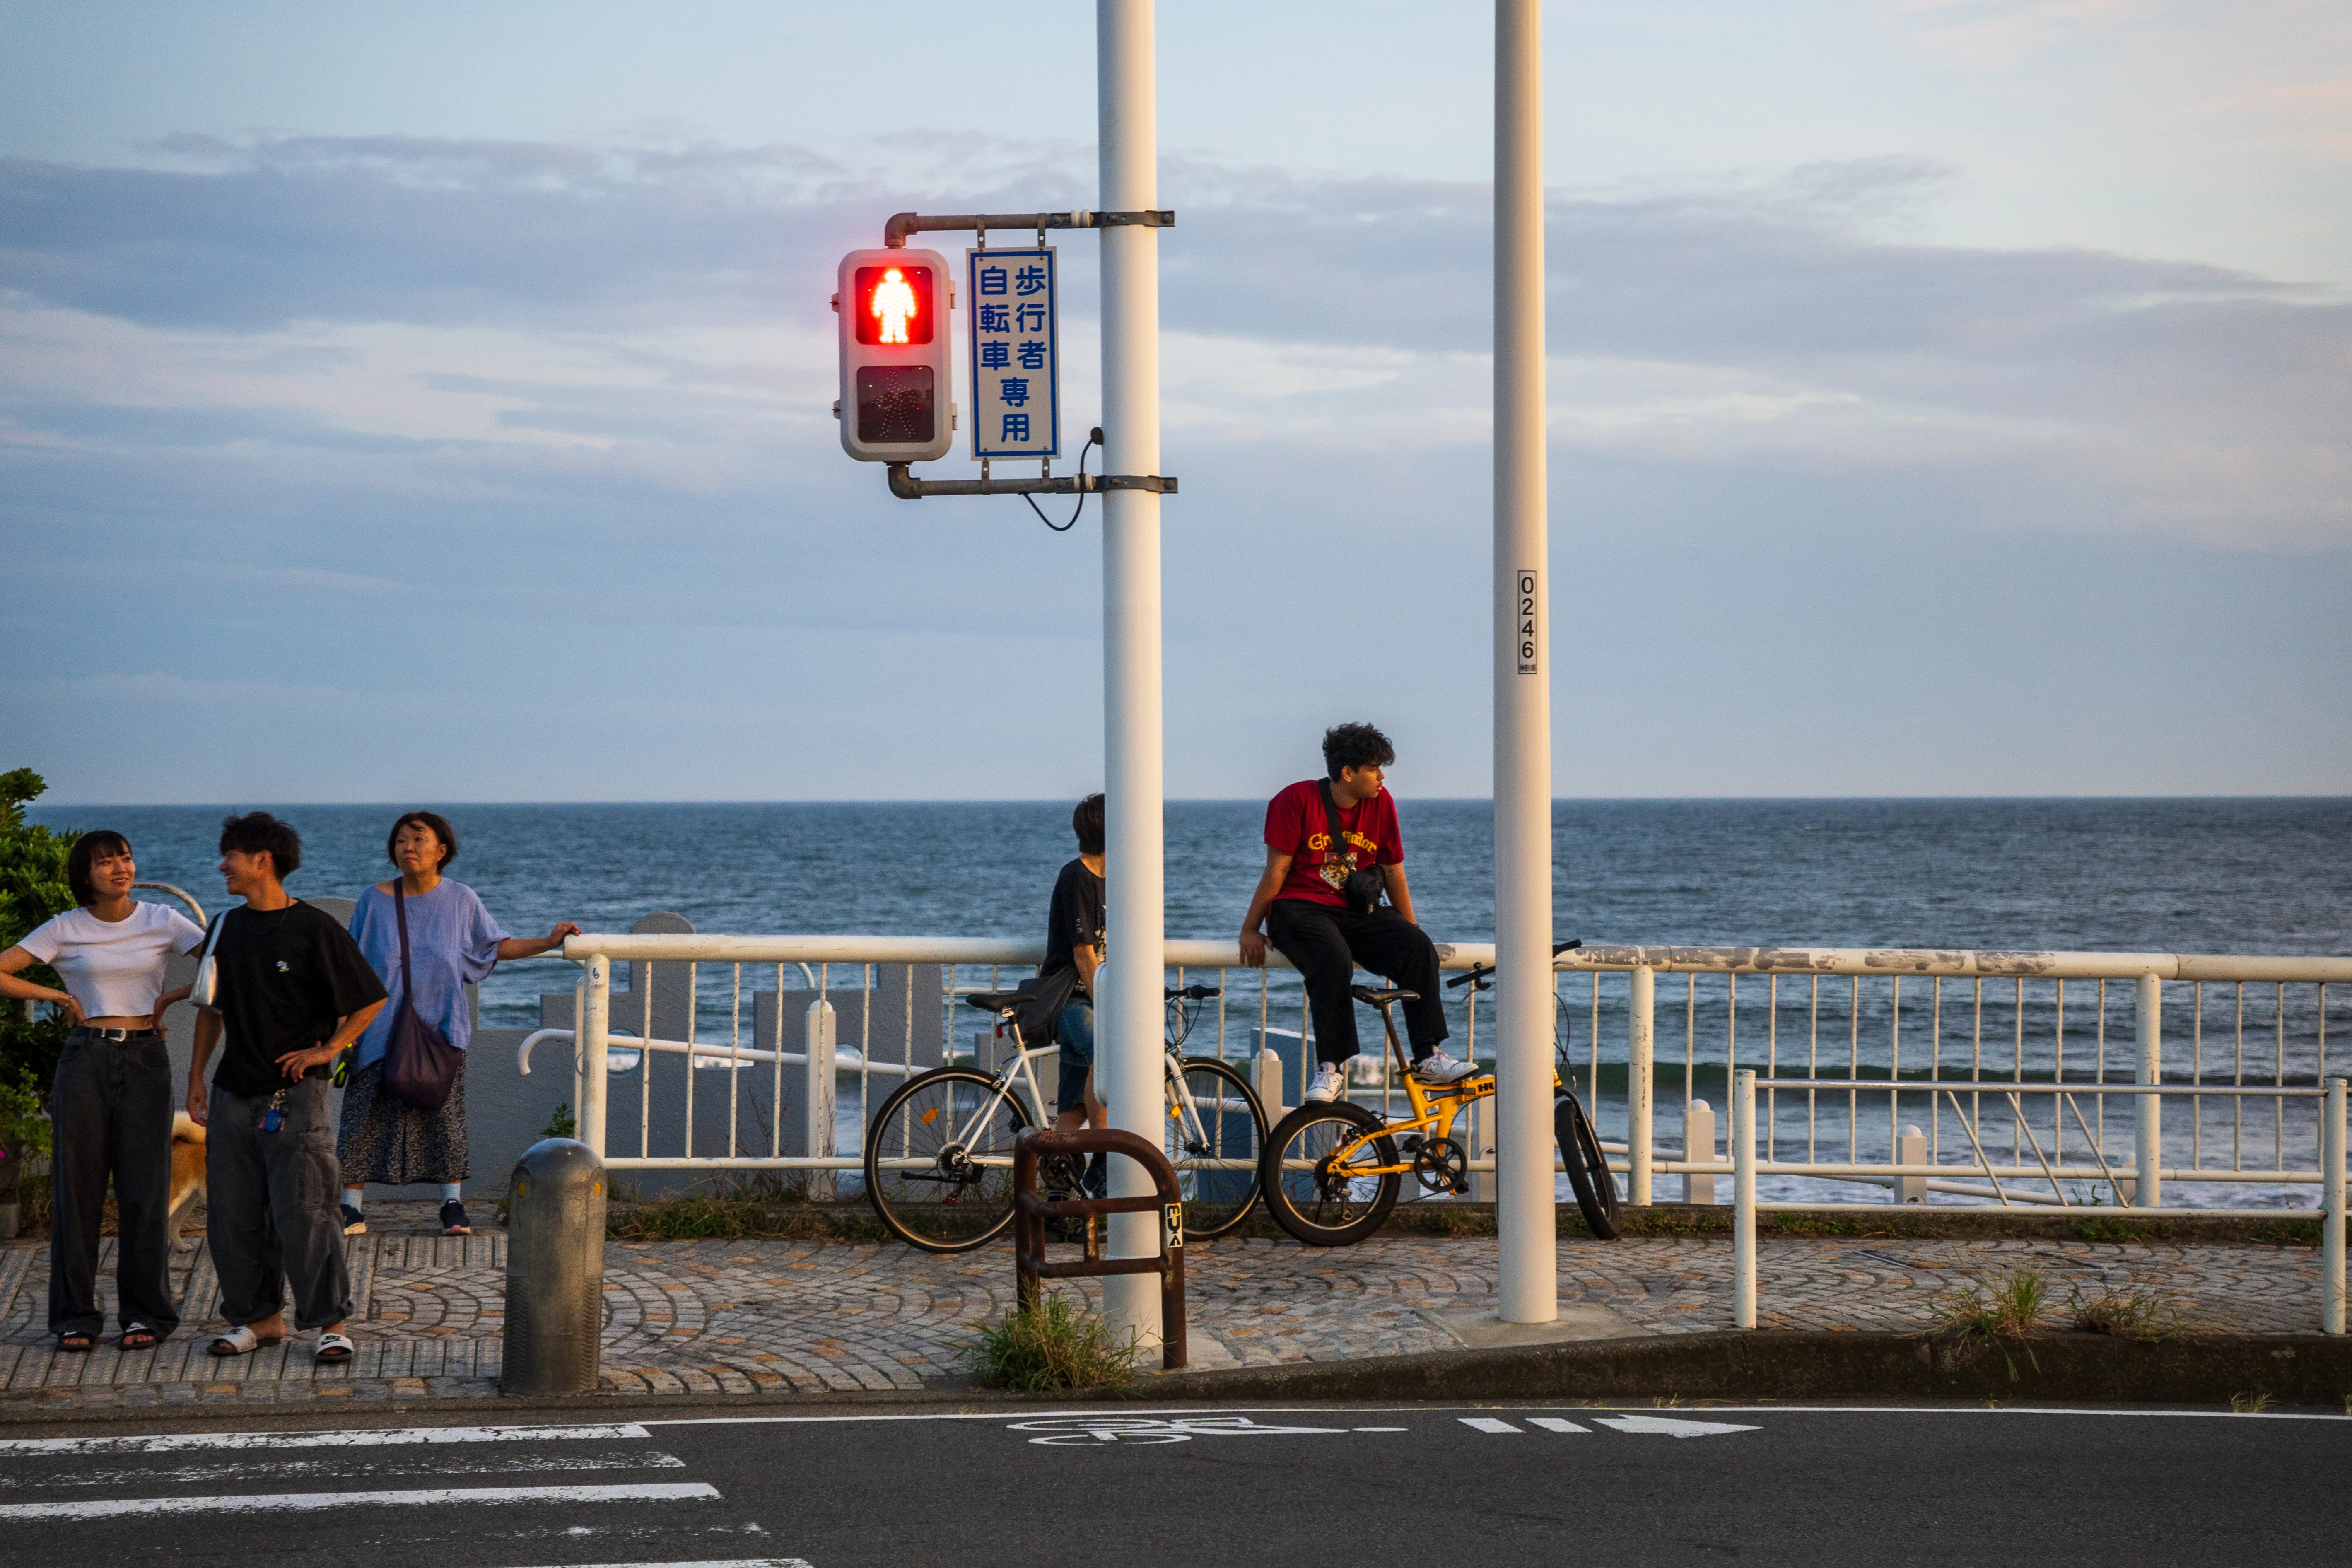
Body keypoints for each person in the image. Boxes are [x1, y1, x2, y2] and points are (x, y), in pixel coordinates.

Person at [187, 813, 386, 1363]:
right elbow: (210, 1008)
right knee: (232, 1215)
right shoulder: (225, 927)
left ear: (263, 860)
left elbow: (370, 998)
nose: (222, 865)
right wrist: (196, 1077)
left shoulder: (314, 929)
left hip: (296, 1098)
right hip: (231, 1093)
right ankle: (260, 1321)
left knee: (308, 1212)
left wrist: (330, 1048)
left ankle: (330, 1323)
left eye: (231, 855)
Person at [0, 832, 203, 1352]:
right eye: (106, 862)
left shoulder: (163, 918)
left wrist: (171, 999)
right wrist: (56, 996)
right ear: (85, 874)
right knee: (78, 1192)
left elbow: (222, 962)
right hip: (85, 1057)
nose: (120, 868)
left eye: (127, 858)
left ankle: (146, 1316)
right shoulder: (65, 927)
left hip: (144, 1058)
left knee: (145, 1192)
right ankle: (75, 1318)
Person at [337, 811, 578, 1237]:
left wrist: (547, 941)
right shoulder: (373, 901)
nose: (407, 848)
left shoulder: (461, 900)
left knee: (443, 1119)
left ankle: (452, 1206)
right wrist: (340, 1029)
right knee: (364, 1118)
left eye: (418, 839)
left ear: (441, 850)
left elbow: (493, 946)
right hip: (376, 1029)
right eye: (400, 841)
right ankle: (351, 1208)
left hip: (439, 1029)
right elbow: (350, 968)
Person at [1238, 722, 1467, 1103]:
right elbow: (1276, 870)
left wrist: (1409, 933)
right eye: (1374, 769)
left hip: (1355, 910)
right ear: (1348, 773)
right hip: (1299, 907)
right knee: (1332, 957)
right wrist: (1249, 928)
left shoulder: (1382, 803)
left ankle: (1428, 1056)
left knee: (1417, 946)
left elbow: (1392, 868)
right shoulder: (1294, 800)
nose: (1381, 777)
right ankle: (1331, 1067)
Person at [1037, 795, 1107, 1218]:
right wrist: (1113, 1007)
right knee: (1109, 1054)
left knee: (1075, 1109)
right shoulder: (1077, 877)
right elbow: (1084, 955)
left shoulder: (1113, 878)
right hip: (1073, 998)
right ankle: (1105, 1163)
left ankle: (1059, 1205)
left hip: (1093, 997)